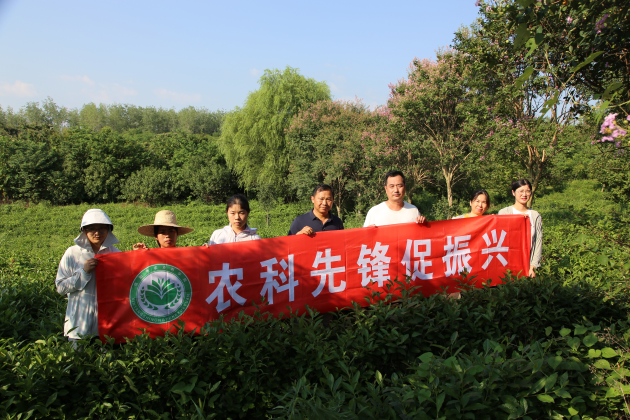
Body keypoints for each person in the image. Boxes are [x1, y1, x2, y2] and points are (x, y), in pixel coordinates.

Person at [55, 209, 120, 344]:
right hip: (79, 325)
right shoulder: (72, 253)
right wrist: (83, 272)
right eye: (92, 229)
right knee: (78, 356)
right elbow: (61, 288)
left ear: (108, 230)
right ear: (84, 230)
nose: (97, 233)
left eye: (102, 228)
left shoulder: (116, 254)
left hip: (107, 326)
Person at [498, 179, 542, 278]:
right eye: (521, 191)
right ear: (513, 192)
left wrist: (533, 267)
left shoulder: (535, 215)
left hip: (528, 267)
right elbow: (499, 238)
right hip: (507, 266)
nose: (524, 194)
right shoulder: (504, 213)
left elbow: (538, 243)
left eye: (528, 191)